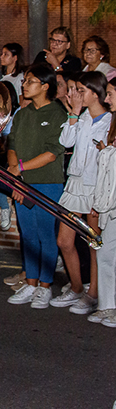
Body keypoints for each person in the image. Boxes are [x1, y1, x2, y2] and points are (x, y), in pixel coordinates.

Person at [5, 65, 68, 308]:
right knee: (27, 235)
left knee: (45, 235)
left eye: (30, 81)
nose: (24, 84)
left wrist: (19, 169)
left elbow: (53, 153)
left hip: (48, 183)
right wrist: (16, 177)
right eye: (25, 80)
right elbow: (12, 145)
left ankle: (45, 286)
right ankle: (30, 284)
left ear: (45, 86)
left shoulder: (57, 114)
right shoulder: (22, 113)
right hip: (23, 183)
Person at [50, 72, 111, 314]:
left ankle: (93, 293)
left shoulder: (110, 121)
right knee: (64, 240)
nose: (76, 95)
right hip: (75, 184)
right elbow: (66, 141)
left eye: (81, 91)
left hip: (96, 186)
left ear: (95, 94)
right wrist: (73, 113)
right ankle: (76, 287)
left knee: (94, 243)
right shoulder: (82, 116)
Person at [90, 77, 116, 326]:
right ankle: (108, 305)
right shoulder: (113, 122)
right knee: (105, 251)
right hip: (111, 198)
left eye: (110, 94)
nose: (106, 99)